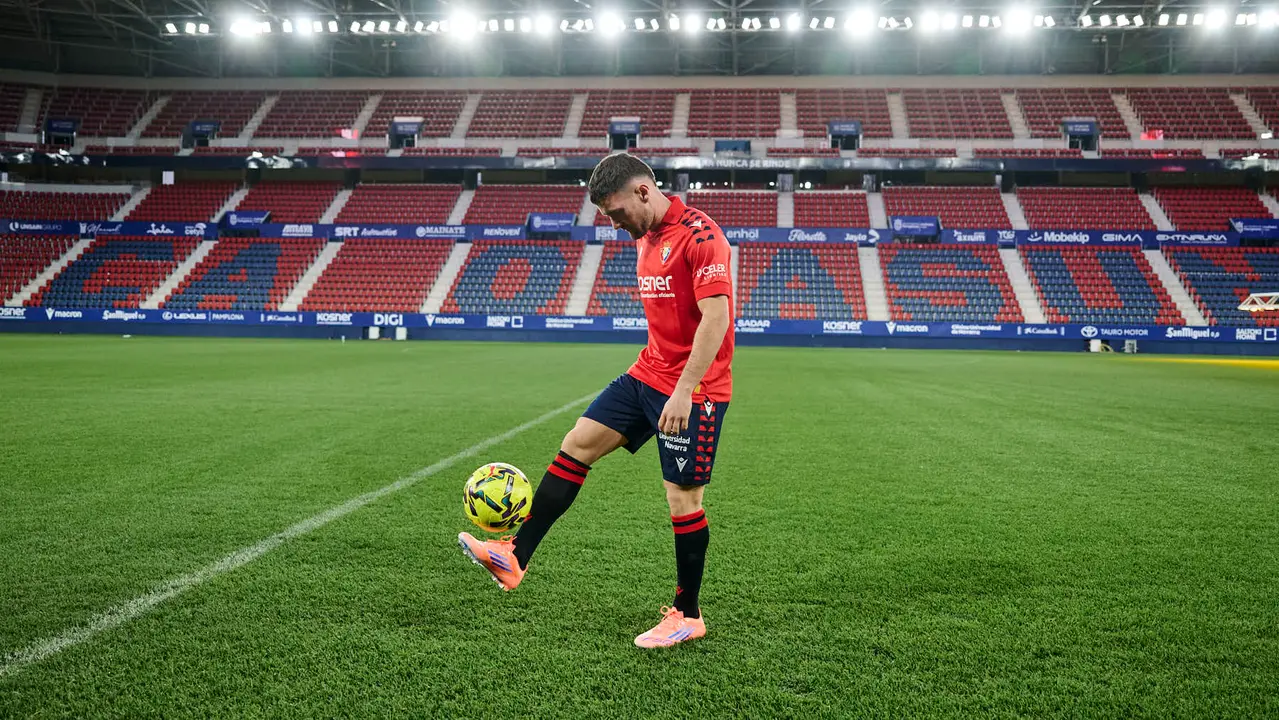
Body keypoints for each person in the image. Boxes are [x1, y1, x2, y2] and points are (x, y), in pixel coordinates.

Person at [458, 153, 736, 648]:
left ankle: (688, 614)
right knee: (578, 443)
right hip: (647, 373)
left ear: (644, 192)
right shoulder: (645, 237)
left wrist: (684, 390)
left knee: (683, 498)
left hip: (695, 390)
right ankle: (515, 557)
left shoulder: (701, 235)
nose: (613, 223)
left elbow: (716, 319)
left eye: (616, 212)